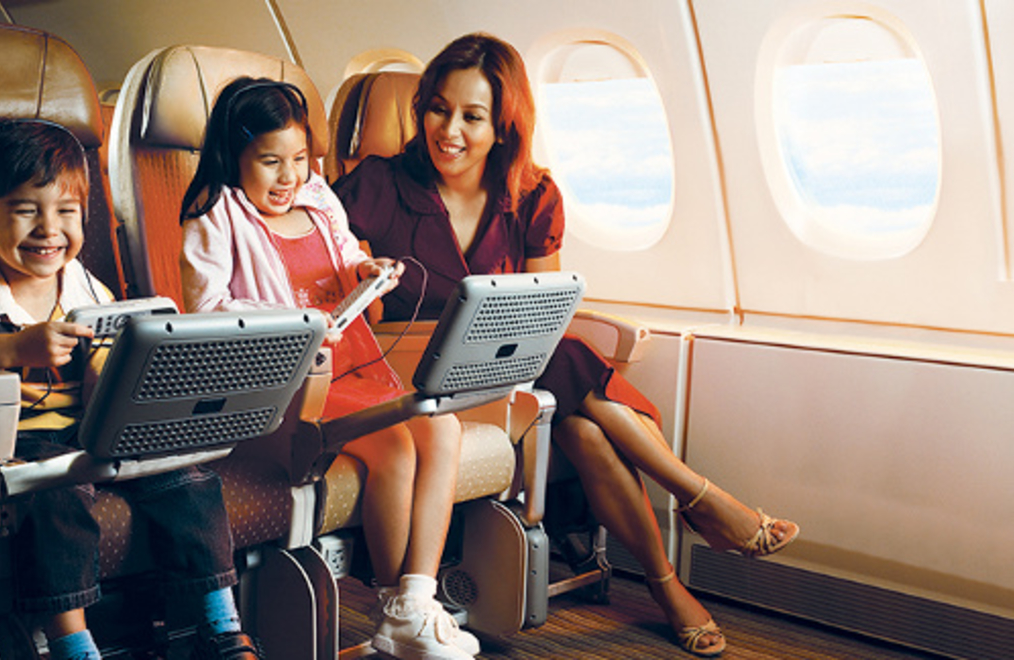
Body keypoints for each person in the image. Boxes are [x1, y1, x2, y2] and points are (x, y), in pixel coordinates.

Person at [333, 33, 801, 657]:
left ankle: (671, 578)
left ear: (503, 126)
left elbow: (542, 311)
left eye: (473, 117)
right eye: (438, 108)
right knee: (575, 366)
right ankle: (701, 504)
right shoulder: (376, 186)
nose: (449, 130)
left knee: (580, 420)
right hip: (417, 378)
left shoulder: (531, 193)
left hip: (516, 379)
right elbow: (341, 300)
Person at [0, 118, 260, 660]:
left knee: (187, 476)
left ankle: (220, 626)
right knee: (55, 499)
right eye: (26, 209)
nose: (48, 229)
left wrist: (121, 381)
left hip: (91, 432)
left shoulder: (85, 284)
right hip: (14, 444)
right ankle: (73, 645)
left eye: (66, 211)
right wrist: (13, 350)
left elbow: (105, 364)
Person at [178, 77, 477, 660]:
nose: (289, 177)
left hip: (356, 364)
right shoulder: (215, 213)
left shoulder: (318, 197)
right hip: (289, 385)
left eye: (299, 159)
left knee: (442, 426)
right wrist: (300, 317)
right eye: (270, 162)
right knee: (394, 446)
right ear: (231, 155)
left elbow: (346, 259)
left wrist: (367, 271)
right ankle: (396, 608)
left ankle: (414, 602)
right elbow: (207, 311)